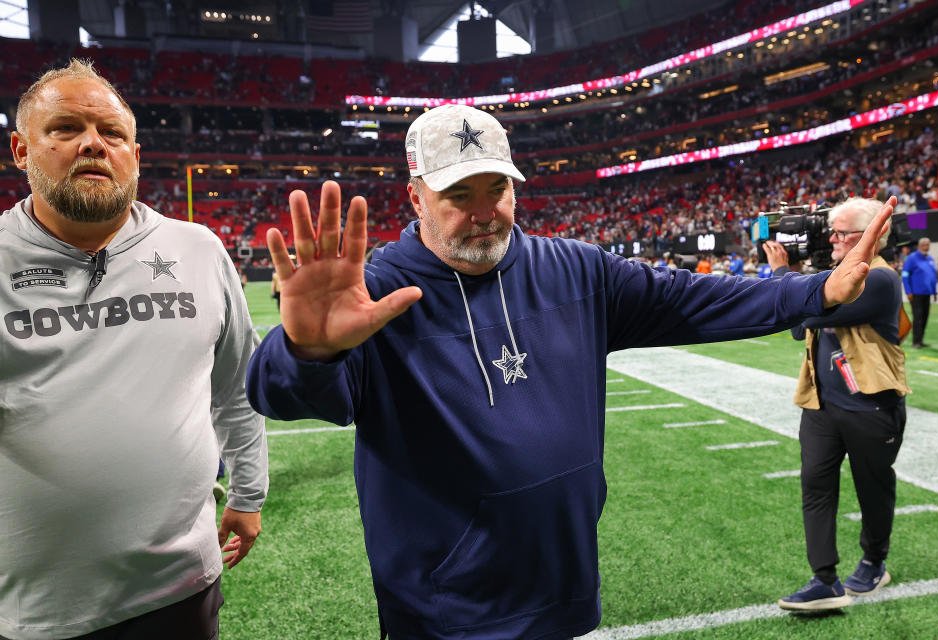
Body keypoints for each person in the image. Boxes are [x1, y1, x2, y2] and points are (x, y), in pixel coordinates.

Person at [246, 104, 893, 639]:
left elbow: (697, 299)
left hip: (565, 591)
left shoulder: (575, 270)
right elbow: (280, 392)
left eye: (496, 188)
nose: (483, 210)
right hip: (442, 612)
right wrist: (308, 348)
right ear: (415, 196)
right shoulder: (381, 290)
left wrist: (815, 292)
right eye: (457, 194)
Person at [0, 59, 268, 640]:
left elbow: (237, 387)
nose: (93, 144)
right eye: (66, 129)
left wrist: (248, 492)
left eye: (112, 133)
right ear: (22, 151)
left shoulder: (197, 249)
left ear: (136, 155)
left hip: (183, 587)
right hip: (39, 606)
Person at [763, 197, 909, 612]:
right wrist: (795, 285)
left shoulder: (880, 279)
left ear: (872, 236)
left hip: (870, 405)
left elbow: (808, 316)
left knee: (873, 490)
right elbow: (797, 327)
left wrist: (781, 275)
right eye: (833, 230)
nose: (833, 238)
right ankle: (823, 578)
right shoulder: (833, 275)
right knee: (815, 488)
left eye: (843, 232)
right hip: (821, 404)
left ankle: (875, 561)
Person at [901, 237, 938, 348]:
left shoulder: (930, 259)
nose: (927, 247)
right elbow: (905, 276)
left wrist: (935, 292)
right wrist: (908, 291)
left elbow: (933, 277)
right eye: (924, 245)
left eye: (928, 245)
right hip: (916, 294)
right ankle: (916, 342)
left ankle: (920, 340)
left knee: (925, 317)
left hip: (927, 293)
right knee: (918, 317)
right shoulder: (912, 258)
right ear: (920, 246)